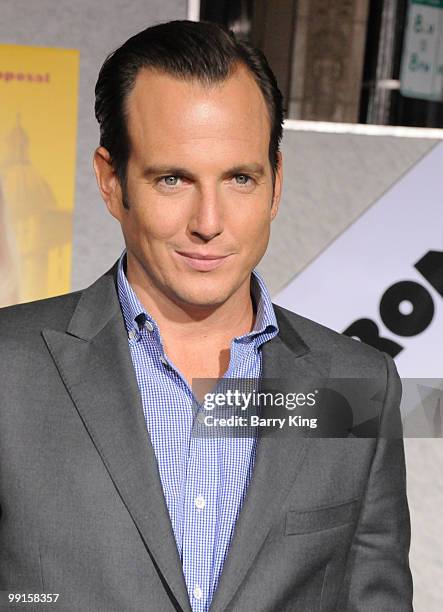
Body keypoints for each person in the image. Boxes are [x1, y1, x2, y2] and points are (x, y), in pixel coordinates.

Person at [0, 20, 413, 612]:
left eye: (240, 178)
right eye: (173, 179)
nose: (209, 221)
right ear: (111, 181)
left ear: (275, 185)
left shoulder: (354, 384)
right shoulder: (9, 369)